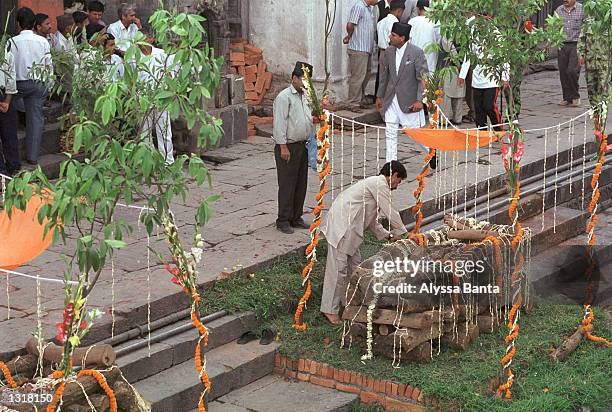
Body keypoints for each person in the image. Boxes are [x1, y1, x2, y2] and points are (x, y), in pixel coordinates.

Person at [320, 161, 408, 324]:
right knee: (338, 270)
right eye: (399, 181)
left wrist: (389, 236)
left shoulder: (375, 185)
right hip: (342, 226)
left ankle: (349, 304)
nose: (397, 185)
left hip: (350, 229)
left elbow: (373, 222)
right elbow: (390, 211)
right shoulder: (380, 183)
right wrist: (404, 233)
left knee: (356, 268)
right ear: (394, 175)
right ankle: (329, 310)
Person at [272, 61, 315, 234]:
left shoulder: (305, 95)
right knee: (287, 184)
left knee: (300, 183)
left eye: (308, 81)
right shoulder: (284, 97)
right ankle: (283, 219)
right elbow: (279, 124)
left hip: (302, 145)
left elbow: (306, 118)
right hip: (288, 146)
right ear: (294, 78)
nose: (305, 84)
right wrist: (282, 147)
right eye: (303, 80)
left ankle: (296, 216)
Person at [376, 22, 427, 162]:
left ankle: (431, 153)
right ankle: (390, 165)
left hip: (409, 100)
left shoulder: (416, 52)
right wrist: (380, 96)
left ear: (402, 38)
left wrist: (419, 100)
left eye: (393, 35)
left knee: (415, 134)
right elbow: (384, 76)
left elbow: (422, 78)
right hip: (391, 99)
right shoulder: (389, 51)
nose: (389, 37)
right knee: (390, 132)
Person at [11, 7, 54, 165]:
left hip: (17, 84)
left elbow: (8, 66)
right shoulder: (42, 41)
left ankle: (12, 157)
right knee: (36, 119)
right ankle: (33, 157)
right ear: (34, 24)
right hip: (39, 83)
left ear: (18, 24)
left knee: (9, 118)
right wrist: (50, 85)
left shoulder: (12, 41)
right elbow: (49, 65)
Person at [459, 16, 509, 131]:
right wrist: (462, 75)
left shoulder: (496, 34)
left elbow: (504, 56)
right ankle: (482, 132)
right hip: (477, 77)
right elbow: (469, 55)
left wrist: (504, 77)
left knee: (489, 106)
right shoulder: (473, 32)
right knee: (479, 108)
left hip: (492, 77)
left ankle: (498, 129)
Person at [139, 34, 175, 164]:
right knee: (144, 132)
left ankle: (168, 161)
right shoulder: (135, 56)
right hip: (143, 99)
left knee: (164, 130)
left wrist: (170, 92)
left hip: (162, 97)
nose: (141, 42)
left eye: (143, 38)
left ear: (151, 39)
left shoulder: (161, 54)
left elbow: (170, 73)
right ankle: (147, 161)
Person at [578, 16, 611, 132]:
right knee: (591, 92)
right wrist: (581, 54)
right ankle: (596, 119)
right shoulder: (588, 22)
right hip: (590, 63)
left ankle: (603, 119)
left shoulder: (608, 22)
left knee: (604, 92)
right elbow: (582, 39)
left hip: (605, 64)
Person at [344, 0, 378, 110]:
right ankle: (353, 103)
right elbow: (350, 24)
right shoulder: (359, 6)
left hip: (366, 49)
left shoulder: (369, 9)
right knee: (358, 76)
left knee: (366, 75)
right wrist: (349, 36)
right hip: (358, 48)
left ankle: (360, 99)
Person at [555, 0, 584, 107]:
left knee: (572, 70)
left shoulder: (582, 9)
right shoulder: (559, 10)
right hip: (562, 44)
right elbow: (554, 27)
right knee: (563, 71)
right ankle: (567, 97)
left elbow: (586, 27)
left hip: (576, 44)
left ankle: (575, 96)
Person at [375, 0, 405, 96]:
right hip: (391, 52)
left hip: (381, 53)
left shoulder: (381, 21)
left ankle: (380, 100)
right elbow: (393, 40)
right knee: (391, 79)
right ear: (399, 11)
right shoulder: (395, 22)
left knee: (382, 79)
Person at [0, 46, 21, 176]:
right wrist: (7, 101)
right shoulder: (6, 53)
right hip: (5, 95)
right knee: (9, 133)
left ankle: (2, 171)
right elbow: (11, 78)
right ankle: (14, 167)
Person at [440, 37, 469, 124]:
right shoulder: (463, 30)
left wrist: (459, 64)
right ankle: (455, 118)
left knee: (449, 94)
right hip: (458, 66)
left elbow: (449, 47)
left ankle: (446, 119)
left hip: (453, 66)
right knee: (456, 92)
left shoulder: (447, 32)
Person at [408, 0, 440, 74]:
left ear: (417, 8)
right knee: (428, 81)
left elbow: (408, 40)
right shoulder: (435, 22)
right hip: (430, 57)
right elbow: (439, 41)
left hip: (413, 57)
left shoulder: (412, 21)